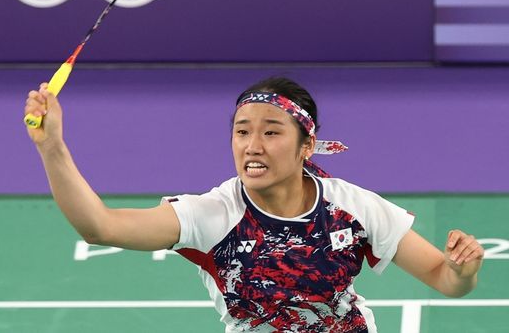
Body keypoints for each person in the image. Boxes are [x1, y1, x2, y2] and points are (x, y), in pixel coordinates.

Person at [24, 76, 484, 332]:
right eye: (242, 131)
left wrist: (462, 271)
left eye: (271, 132)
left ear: (307, 145)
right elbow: (100, 227)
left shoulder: (351, 207)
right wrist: (52, 148)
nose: (253, 145)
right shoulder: (213, 215)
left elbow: (446, 280)